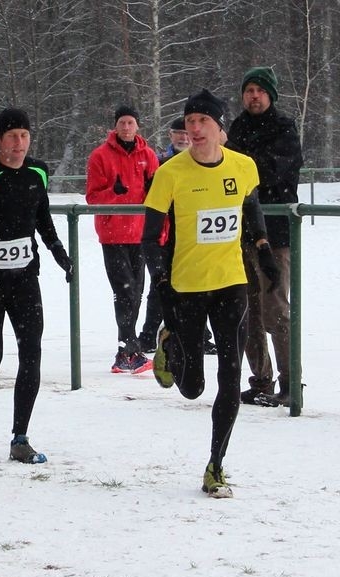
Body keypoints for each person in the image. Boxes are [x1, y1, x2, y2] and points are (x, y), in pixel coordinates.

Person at [144, 89, 278, 498]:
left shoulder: (243, 166)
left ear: (220, 128)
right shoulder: (170, 172)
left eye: (203, 121)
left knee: (230, 374)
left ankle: (215, 466)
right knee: (192, 388)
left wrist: (264, 249)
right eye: (189, 121)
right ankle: (170, 342)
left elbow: (250, 208)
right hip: (187, 287)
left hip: (231, 283)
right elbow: (150, 238)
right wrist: (163, 285)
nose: (195, 128)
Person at [0, 108, 73, 464]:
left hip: (25, 279)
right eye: (12, 136)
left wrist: (59, 252)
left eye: (24, 136)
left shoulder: (37, 171)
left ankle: (20, 436)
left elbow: (42, 219)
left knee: (31, 352)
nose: (19, 144)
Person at [226, 67, 302, 407]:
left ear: (270, 95)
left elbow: (270, 173)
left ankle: (290, 383)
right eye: (248, 90)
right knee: (247, 311)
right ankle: (261, 379)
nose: (253, 96)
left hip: (276, 236)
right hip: (241, 233)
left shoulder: (284, 128)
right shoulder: (238, 128)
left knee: (276, 310)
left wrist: (242, 163)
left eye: (259, 90)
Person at [85, 105, 160, 373]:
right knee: (124, 289)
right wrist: (114, 194)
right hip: (113, 233)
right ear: (115, 126)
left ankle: (125, 350)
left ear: (138, 126)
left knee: (136, 292)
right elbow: (92, 197)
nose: (126, 127)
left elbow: (157, 192)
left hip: (140, 233)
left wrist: (154, 192)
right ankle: (130, 349)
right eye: (122, 123)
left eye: (130, 122)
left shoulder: (148, 155)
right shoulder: (100, 156)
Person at [141, 118, 217, 356]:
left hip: (195, 235)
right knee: (160, 283)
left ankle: (201, 335)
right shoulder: (160, 163)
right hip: (166, 234)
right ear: (171, 135)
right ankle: (149, 333)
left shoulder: (205, 160)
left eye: (186, 133)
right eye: (178, 133)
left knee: (199, 284)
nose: (184, 138)